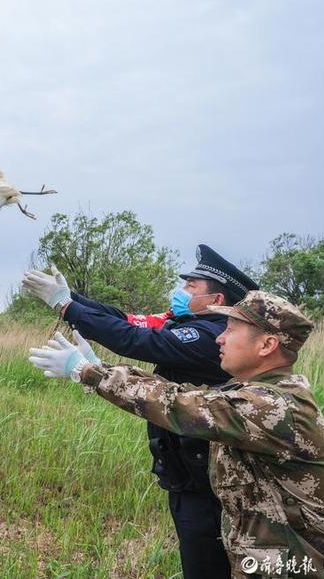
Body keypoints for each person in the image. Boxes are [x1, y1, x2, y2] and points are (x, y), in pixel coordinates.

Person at [29, 291, 324, 578]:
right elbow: (185, 394)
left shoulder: (273, 406)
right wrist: (101, 369)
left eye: (231, 329)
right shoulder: (252, 392)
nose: (219, 337)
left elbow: (179, 407)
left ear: (267, 344)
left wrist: (88, 373)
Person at [23, 244, 258, 578]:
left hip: (207, 478)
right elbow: (126, 321)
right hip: (186, 468)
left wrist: (66, 307)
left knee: (206, 563)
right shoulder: (184, 322)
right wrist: (71, 298)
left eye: (192, 286)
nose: (182, 290)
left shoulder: (210, 336)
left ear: (217, 301)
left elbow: (135, 341)